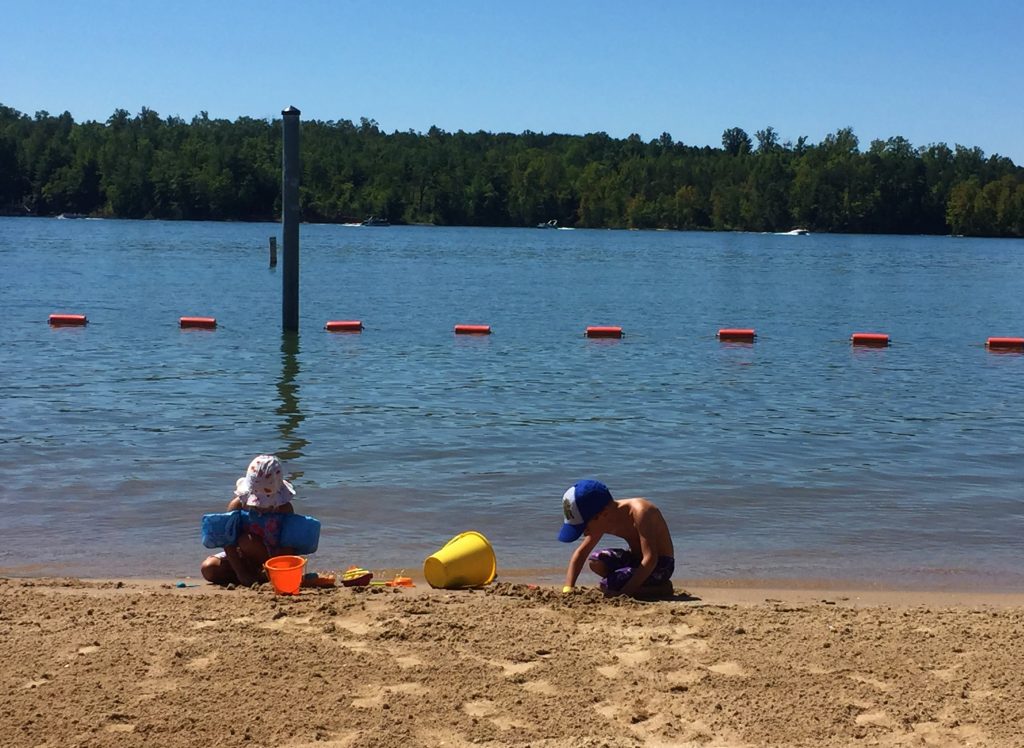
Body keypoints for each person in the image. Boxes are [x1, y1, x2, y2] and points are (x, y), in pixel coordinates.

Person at [558, 479, 675, 597]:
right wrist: (568, 588)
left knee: (608, 586)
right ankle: (634, 583)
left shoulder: (640, 512)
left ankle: (658, 589)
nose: (584, 533)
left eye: (585, 527)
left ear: (602, 514)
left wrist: (624, 594)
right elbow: (581, 553)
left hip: (660, 565)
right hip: (635, 559)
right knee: (596, 561)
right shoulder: (603, 519)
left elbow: (650, 559)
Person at [200, 454, 297, 586]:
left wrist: (282, 569)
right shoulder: (238, 505)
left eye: (267, 502)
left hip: (272, 557)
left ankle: (265, 574)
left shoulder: (284, 508)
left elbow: (288, 544)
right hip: (242, 557)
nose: (261, 507)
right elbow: (228, 541)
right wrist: (240, 572)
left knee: (247, 541)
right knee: (208, 569)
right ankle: (252, 576)